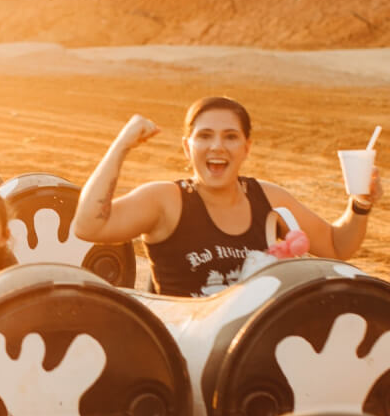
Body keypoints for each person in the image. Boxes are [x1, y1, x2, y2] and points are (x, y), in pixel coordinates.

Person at [73, 96, 383, 298]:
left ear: (247, 147)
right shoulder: (166, 200)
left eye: (230, 137)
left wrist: (361, 204)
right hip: (187, 355)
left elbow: (336, 246)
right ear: (187, 147)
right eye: (205, 136)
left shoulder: (268, 198)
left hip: (255, 354)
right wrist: (122, 146)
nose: (217, 147)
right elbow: (89, 226)